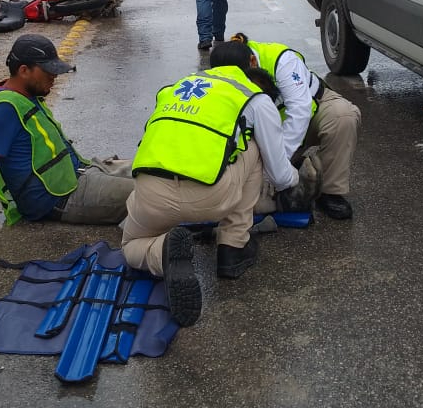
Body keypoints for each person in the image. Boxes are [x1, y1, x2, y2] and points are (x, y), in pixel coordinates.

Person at [121, 42, 307, 326]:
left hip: (150, 192)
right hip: (209, 197)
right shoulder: (253, 97)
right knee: (253, 146)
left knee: (131, 244)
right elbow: (279, 173)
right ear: (251, 64)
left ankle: (163, 251)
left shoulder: (174, 88)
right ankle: (233, 246)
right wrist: (296, 182)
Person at [0, 35, 135, 265]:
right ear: (24, 71)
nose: (54, 77)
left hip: (79, 173)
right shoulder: (1, 111)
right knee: (153, 194)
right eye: (48, 70)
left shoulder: (27, 97)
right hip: (61, 198)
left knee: (155, 168)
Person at [212, 34, 361, 219]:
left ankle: (330, 191)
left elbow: (300, 111)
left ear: (252, 61)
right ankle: (293, 169)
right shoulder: (220, 76)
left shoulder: (283, 61)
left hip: (310, 114)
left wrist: (278, 163)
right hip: (265, 129)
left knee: (342, 115)